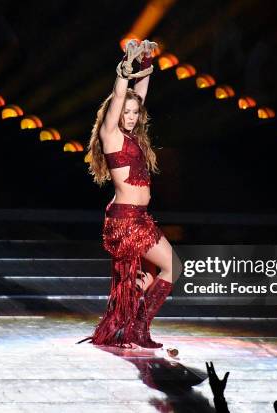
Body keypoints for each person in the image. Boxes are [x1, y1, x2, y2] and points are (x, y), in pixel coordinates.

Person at [79, 39, 181, 348]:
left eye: (136, 113)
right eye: (127, 112)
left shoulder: (132, 135)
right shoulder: (110, 135)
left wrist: (146, 61)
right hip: (126, 223)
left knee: (162, 272)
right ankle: (138, 327)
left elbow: (140, 95)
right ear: (115, 112)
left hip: (140, 218)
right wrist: (125, 69)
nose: (132, 116)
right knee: (173, 266)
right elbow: (122, 95)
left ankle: (138, 326)